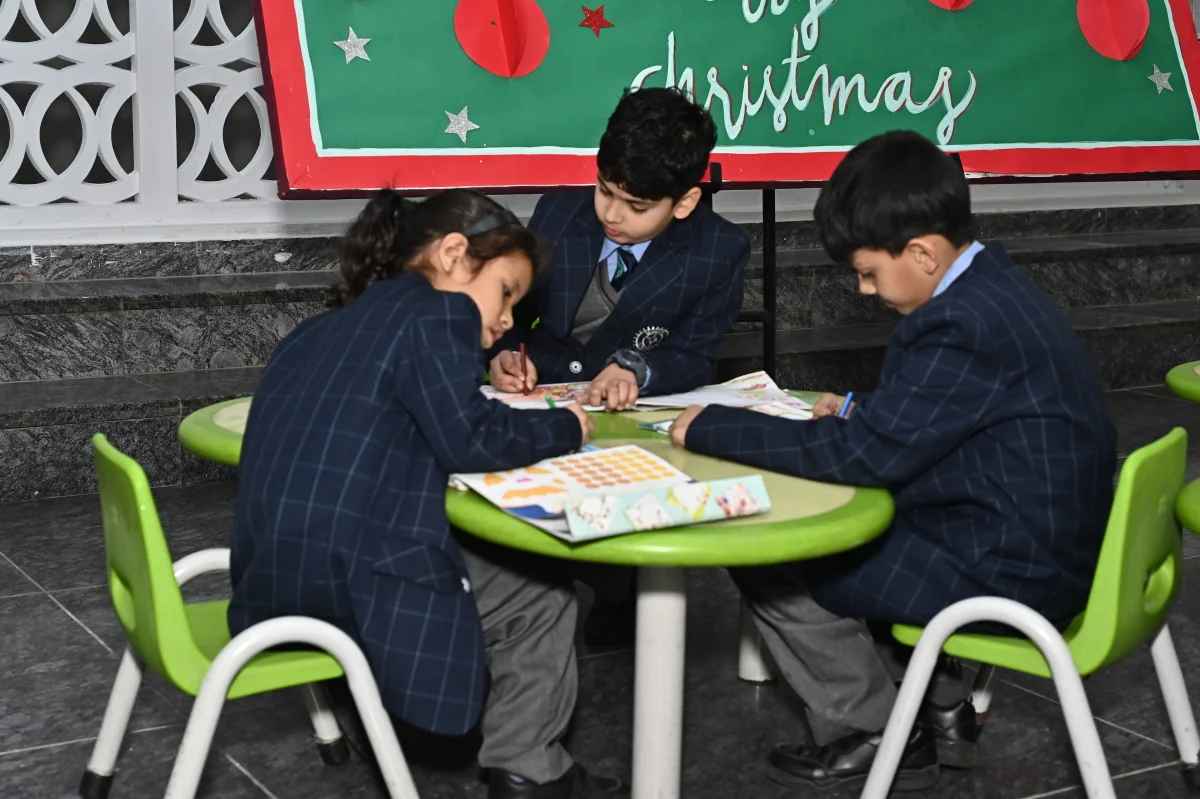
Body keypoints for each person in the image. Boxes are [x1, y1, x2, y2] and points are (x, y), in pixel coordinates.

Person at [669, 130, 1118, 793]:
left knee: (775, 552)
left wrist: (714, 424)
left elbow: (860, 459)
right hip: (1039, 541)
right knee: (869, 528)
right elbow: (956, 409)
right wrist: (863, 408)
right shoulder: (991, 289)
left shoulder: (957, 325)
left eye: (868, 271)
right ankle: (941, 710)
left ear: (923, 253)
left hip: (1013, 573)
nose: (863, 288)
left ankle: (874, 730)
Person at [228, 188, 624, 799]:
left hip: (269, 582)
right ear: (453, 254)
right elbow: (472, 437)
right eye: (506, 293)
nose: (507, 320)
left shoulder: (318, 329)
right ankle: (530, 771)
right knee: (540, 594)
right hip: (344, 584)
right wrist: (565, 426)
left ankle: (378, 709)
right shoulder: (439, 314)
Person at [489, 86, 751, 643]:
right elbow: (510, 309)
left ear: (684, 201)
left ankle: (617, 592)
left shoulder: (719, 250)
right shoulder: (559, 210)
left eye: (636, 206)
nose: (611, 213)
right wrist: (501, 355)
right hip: (541, 400)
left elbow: (694, 355)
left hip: (632, 424)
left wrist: (636, 370)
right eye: (605, 190)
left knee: (624, 579)